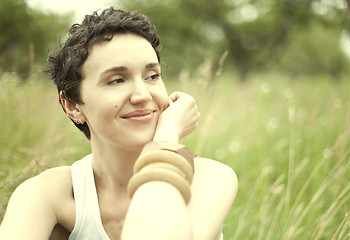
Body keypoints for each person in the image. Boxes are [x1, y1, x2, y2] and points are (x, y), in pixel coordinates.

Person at [0, 7, 238, 240]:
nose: (142, 95)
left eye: (152, 76)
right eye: (116, 80)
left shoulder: (209, 179)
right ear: (72, 104)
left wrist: (167, 135)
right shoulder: (48, 194)